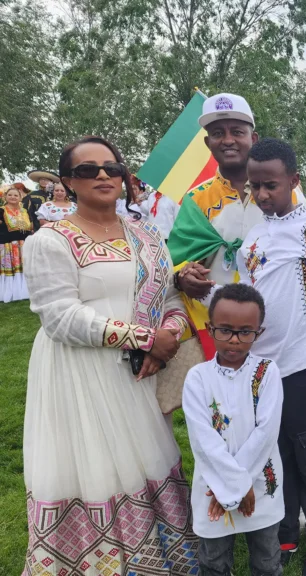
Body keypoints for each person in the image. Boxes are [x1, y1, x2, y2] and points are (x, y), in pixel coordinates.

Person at [182, 138, 306, 576]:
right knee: (273, 453)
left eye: (271, 186)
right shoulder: (253, 238)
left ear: (294, 181)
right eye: (255, 187)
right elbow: (251, 296)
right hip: (262, 369)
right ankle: (285, 532)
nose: (262, 195)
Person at [21, 136, 198, 575]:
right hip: (79, 372)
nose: (102, 175)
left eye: (111, 168)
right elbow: (58, 316)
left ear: (123, 177)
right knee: (91, 462)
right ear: (68, 182)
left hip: (137, 374)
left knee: (147, 455)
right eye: (88, 170)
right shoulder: (51, 241)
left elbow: (171, 300)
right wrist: (142, 337)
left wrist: (169, 336)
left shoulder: (147, 234)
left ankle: (158, 559)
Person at [167, 93, 306, 359]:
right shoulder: (195, 199)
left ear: (252, 139)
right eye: (218, 133)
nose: (228, 140)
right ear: (208, 142)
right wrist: (183, 276)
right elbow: (173, 261)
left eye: (237, 131)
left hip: (278, 325)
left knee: (274, 398)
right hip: (217, 330)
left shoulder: (289, 193)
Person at [183, 283, 284, 576]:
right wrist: (235, 487)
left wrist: (237, 487)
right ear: (210, 327)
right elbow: (203, 440)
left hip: (262, 486)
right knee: (213, 562)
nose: (235, 340)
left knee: (266, 560)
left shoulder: (267, 372)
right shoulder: (198, 378)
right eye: (225, 330)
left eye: (245, 332)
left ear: (258, 332)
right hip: (212, 488)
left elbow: (266, 433)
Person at [0, 187, 34, 302]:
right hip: (8, 243)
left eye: (16, 195)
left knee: (24, 265)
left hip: (24, 243)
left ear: (20, 198)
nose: (13, 197)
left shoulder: (24, 211)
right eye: (10, 195)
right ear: (5, 197)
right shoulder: (1, 210)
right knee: (11, 266)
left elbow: (30, 226)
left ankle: (25, 289)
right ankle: (10, 290)